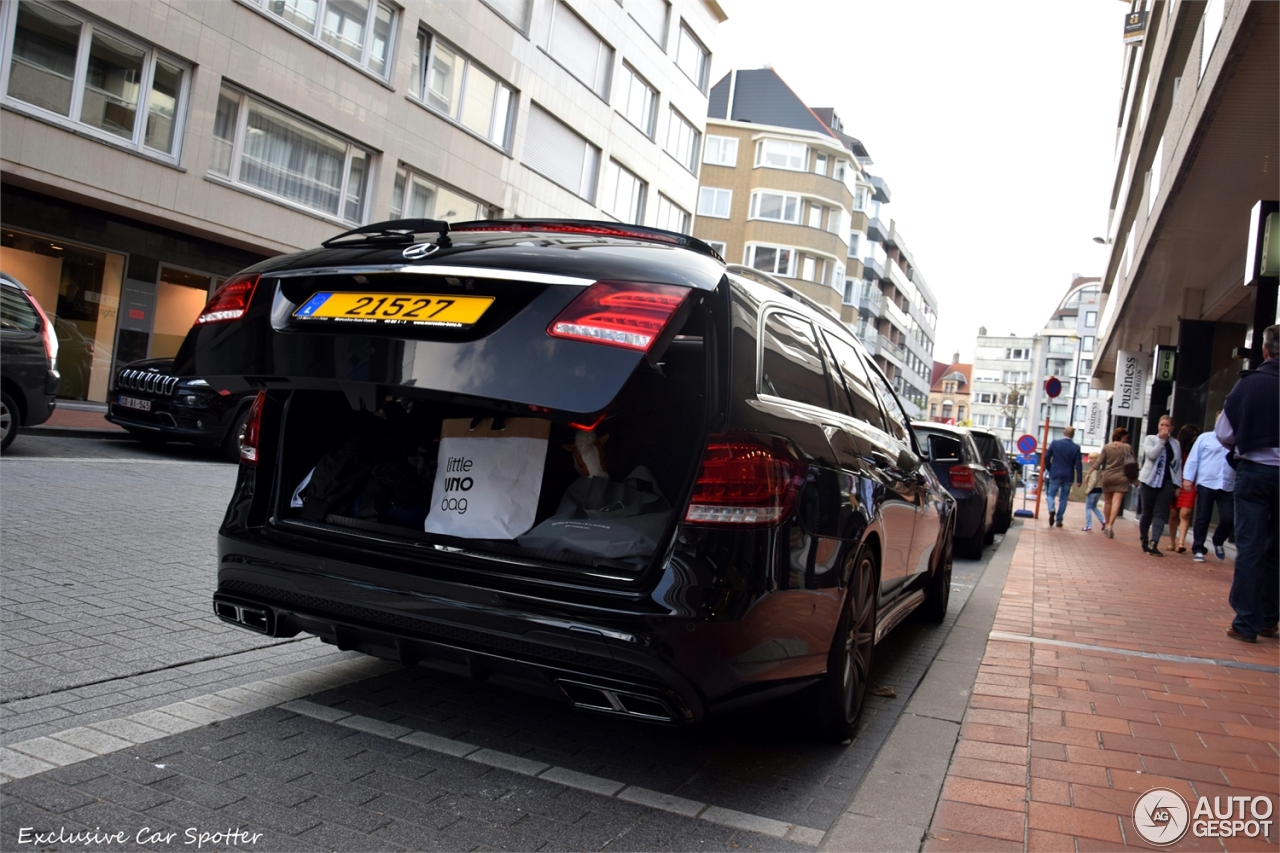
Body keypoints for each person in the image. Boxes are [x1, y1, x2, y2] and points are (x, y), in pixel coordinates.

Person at [1215, 324, 1279, 643]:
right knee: (1277, 549)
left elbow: (1224, 434)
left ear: (1265, 351)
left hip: (1254, 472)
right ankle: (1269, 618)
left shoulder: (1248, 385)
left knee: (1251, 546)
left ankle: (1246, 622)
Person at [1183, 413, 1234, 564]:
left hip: (1227, 483)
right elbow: (1194, 458)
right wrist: (1188, 478)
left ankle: (1218, 541)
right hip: (1207, 482)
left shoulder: (1235, 440)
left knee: (1228, 517)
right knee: (1203, 517)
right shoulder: (1205, 438)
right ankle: (1198, 548)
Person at [1137, 415, 1181, 557]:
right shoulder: (1151, 439)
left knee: (1161, 514)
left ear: (1172, 428)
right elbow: (1151, 455)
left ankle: (1154, 543)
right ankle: (1144, 538)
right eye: (1162, 425)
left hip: (1167, 482)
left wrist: (1178, 484)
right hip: (1149, 481)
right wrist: (1161, 441)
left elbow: (1177, 465)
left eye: (1167, 425)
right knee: (1147, 512)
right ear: (1158, 426)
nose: (1164, 428)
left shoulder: (1175, 444)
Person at [1091, 427, 1134, 538]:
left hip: (1108, 477)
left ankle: (1106, 525)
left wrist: (1089, 473)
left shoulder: (1107, 447)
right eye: (1126, 437)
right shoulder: (1127, 448)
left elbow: (1098, 462)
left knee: (1108, 502)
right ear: (1122, 436)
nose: (1127, 439)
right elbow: (1134, 463)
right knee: (1116, 502)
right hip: (1121, 477)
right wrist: (1135, 477)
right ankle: (1110, 526)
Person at [1167, 423, 1199, 552]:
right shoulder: (1177, 448)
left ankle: (1181, 543)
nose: (1195, 438)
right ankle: (1172, 541)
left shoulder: (1196, 449)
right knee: (1173, 513)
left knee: (1185, 513)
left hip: (1190, 483)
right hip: (1176, 482)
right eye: (1193, 435)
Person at [1044, 426, 1082, 527]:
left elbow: (1046, 457)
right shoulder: (1076, 447)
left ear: (1064, 433)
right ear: (1073, 435)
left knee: (1050, 494)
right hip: (1068, 475)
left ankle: (1051, 509)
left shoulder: (1055, 443)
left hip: (1055, 473)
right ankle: (1059, 520)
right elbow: (1078, 465)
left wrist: (1049, 468)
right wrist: (1079, 479)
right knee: (1064, 498)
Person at [1081, 464, 1105, 531]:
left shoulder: (1094, 469)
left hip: (1093, 490)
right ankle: (1103, 520)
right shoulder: (1100, 469)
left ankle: (1089, 525)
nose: (1089, 460)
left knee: (1088, 507)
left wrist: (1088, 490)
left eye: (1092, 458)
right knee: (1093, 506)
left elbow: (1093, 481)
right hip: (1099, 490)